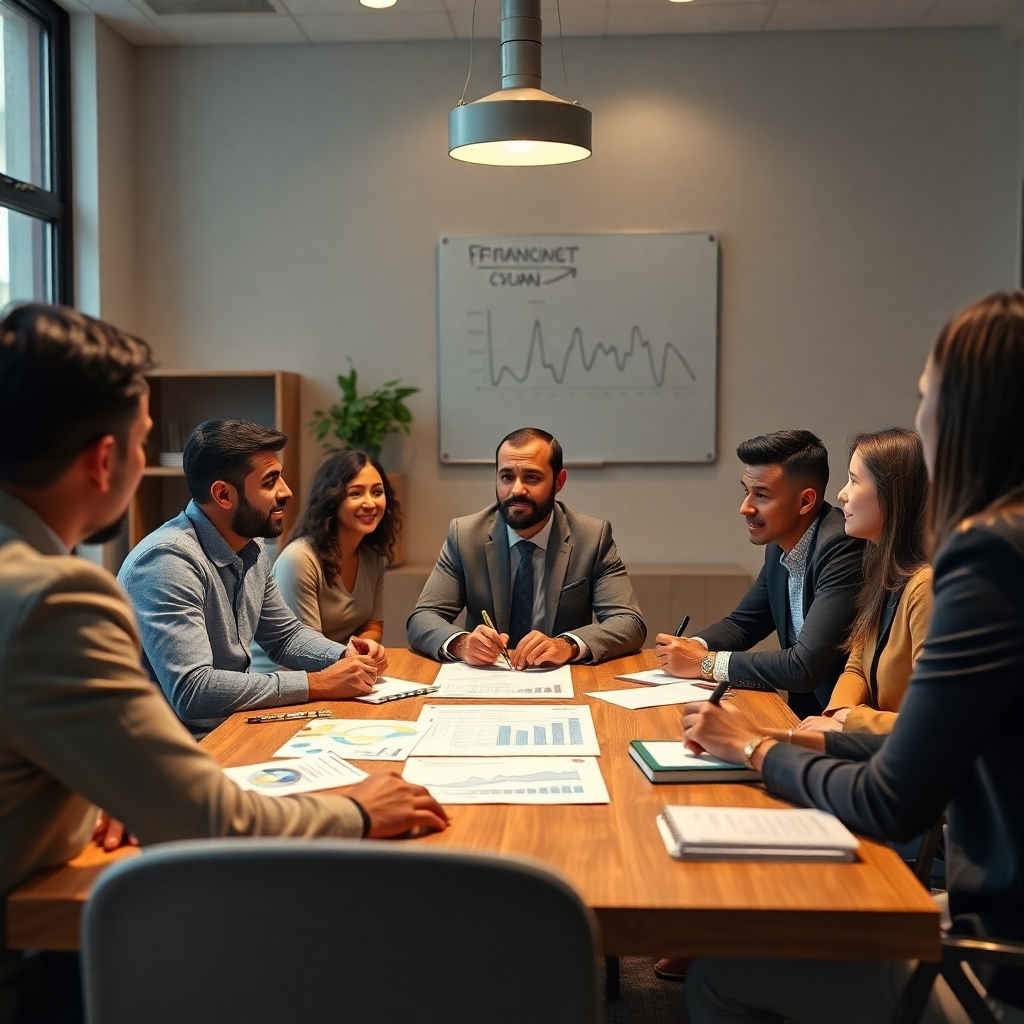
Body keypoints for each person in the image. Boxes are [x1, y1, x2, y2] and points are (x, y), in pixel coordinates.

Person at [0, 305, 448, 1023]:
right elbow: (201, 812)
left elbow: (281, 634)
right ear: (104, 459)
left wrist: (93, 791)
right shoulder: (59, 595)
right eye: (145, 442)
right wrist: (355, 811)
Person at [682, 290, 1024, 1024]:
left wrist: (753, 749)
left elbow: (891, 798)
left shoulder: (986, 557)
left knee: (718, 977)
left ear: (966, 418)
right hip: (979, 919)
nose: (922, 418)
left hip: (996, 967)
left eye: (927, 397)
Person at [654, 430, 864, 719]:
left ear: (805, 502)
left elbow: (804, 667)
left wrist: (705, 663)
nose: (745, 508)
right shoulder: (779, 546)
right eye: (746, 491)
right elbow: (743, 625)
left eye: (761, 495)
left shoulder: (842, 547)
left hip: (841, 725)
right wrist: (692, 647)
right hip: (803, 719)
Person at [407, 427, 646, 667]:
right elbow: (423, 618)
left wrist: (567, 645)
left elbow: (629, 622)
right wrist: (461, 643)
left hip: (561, 680)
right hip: (487, 679)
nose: (517, 490)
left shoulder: (592, 538)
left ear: (559, 481)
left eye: (531, 477)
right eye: (507, 477)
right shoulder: (466, 536)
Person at [798, 428, 932, 735]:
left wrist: (848, 721)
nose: (841, 494)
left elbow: (937, 721)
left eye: (854, 480)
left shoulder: (925, 587)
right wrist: (835, 716)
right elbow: (856, 666)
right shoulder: (882, 572)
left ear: (891, 494)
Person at [251, 451, 397, 671]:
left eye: (377, 492)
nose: (370, 503)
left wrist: (368, 647)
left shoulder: (374, 557)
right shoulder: (299, 559)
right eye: (356, 494)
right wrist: (352, 657)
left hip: (339, 667)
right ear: (332, 499)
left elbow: (373, 625)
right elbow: (305, 649)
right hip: (283, 678)